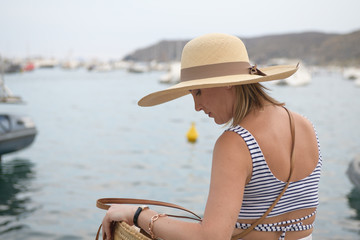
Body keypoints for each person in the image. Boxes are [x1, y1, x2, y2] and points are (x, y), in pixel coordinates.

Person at [101, 33, 322, 240]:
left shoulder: (236, 143)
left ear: (227, 82)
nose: (196, 106)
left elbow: (211, 236)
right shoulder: (304, 124)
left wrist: (138, 214)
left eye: (198, 91)